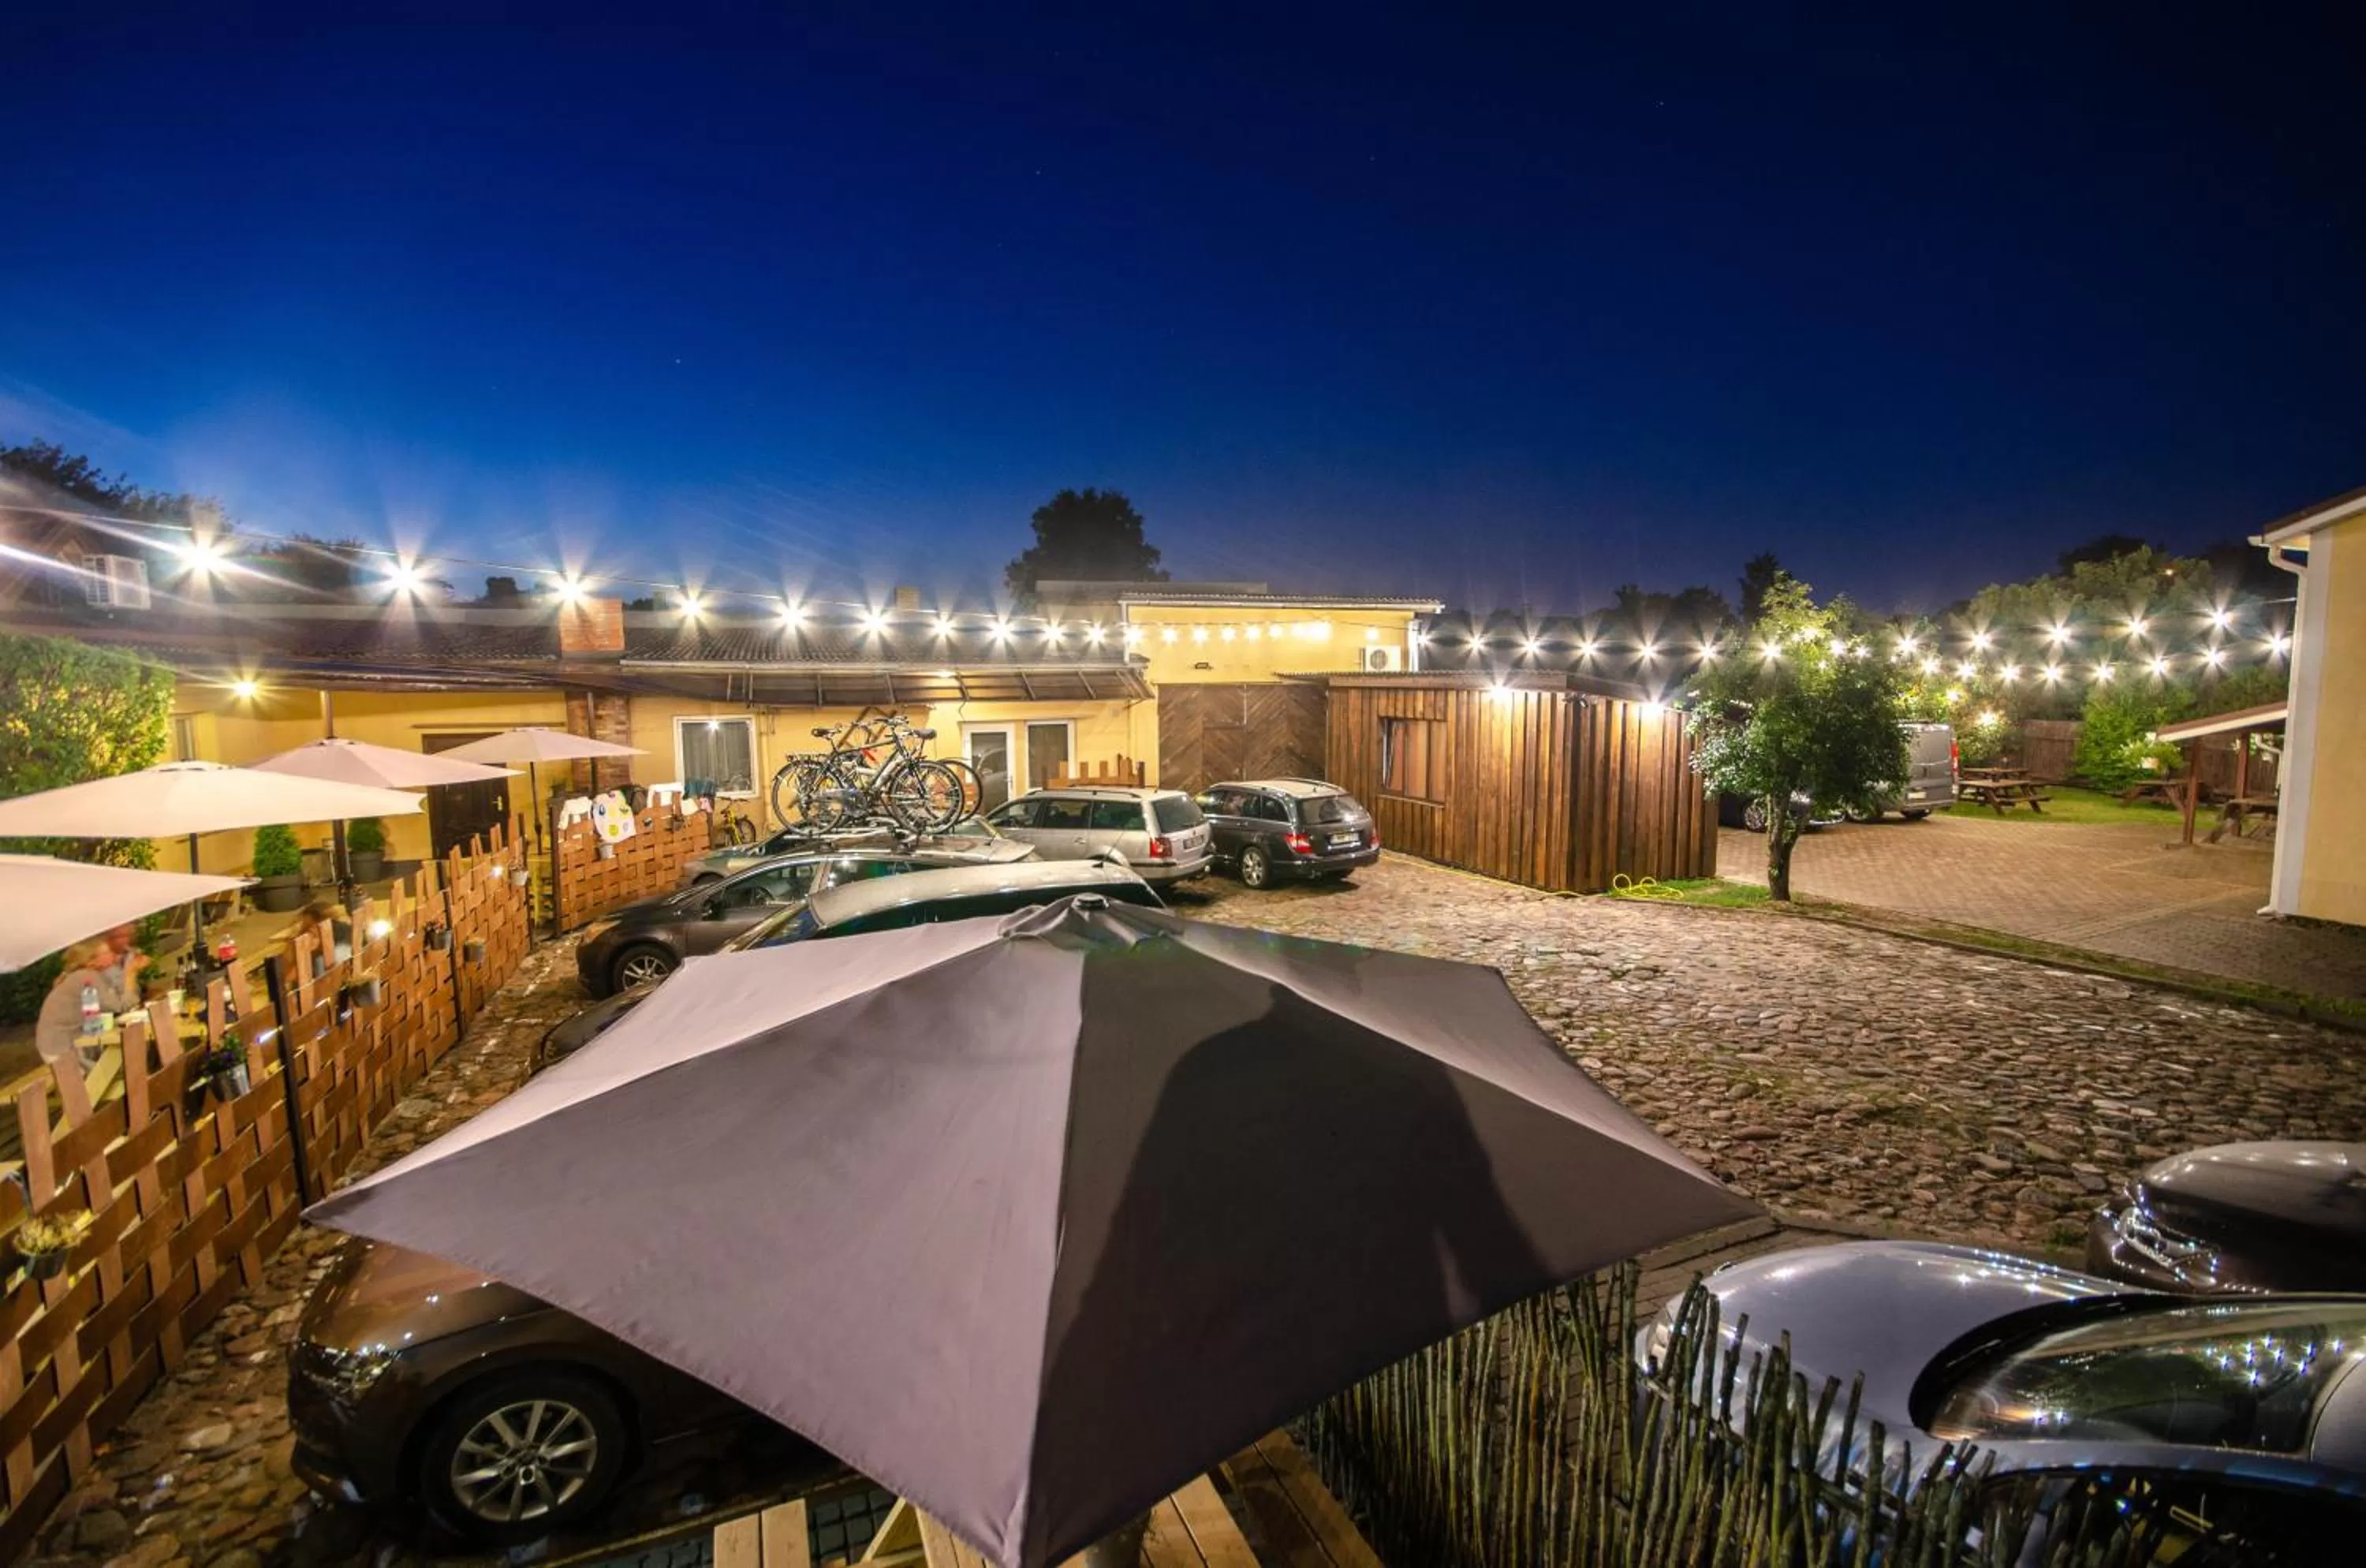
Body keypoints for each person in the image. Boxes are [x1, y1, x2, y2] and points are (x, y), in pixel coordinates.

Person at [35, 939, 115, 1072]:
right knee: (96, 1077)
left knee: (103, 1072)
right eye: (106, 953)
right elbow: (118, 1006)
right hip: (58, 1047)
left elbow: (92, 1019)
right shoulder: (86, 977)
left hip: (57, 1044)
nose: (112, 954)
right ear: (91, 960)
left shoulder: (80, 977)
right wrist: (130, 974)